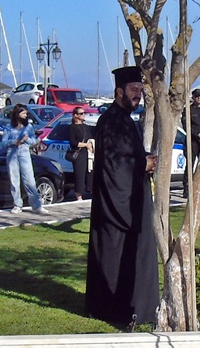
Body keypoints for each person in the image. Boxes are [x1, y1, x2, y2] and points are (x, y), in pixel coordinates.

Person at [86, 66, 160, 326]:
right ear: (119, 92)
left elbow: (127, 157)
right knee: (115, 258)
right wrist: (143, 164)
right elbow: (114, 167)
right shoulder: (111, 122)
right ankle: (114, 308)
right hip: (116, 207)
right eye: (133, 90)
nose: (137, 94)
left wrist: (143, 160)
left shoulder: (126, 120)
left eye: (140, 90)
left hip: (131, 198)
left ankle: (137, 307)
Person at [1, 103, 44, 214]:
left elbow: (33, 141)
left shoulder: (28, 127)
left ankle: (36, 205)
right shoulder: (9, 127)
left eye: (26, 113)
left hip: (24, 152)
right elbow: (3, 143)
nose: (25, 115)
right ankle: (17, 204)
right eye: (23, 113)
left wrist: (27, 139)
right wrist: (13, 141)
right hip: (12, 153)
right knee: (14, 179)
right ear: (17, 114)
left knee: (29, 179)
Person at [65, 107, 95, 201]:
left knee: (90, 173)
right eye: (81, 113)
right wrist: (85, 145)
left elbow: (90, 138)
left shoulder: (86, 127)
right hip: (79, 154)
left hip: (88, 153)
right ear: (76, 115)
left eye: (84, 113)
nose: (83, 115)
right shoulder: (72, 127)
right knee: (79, 174)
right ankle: (79, 196)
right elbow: (73, 142)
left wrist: (91, 146)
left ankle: (91, 192)